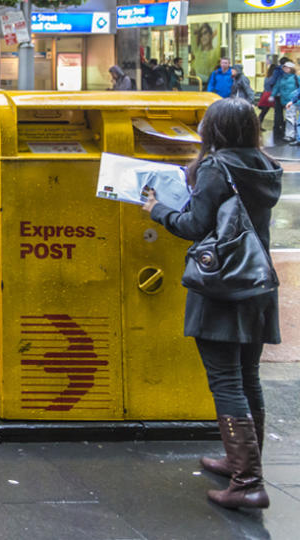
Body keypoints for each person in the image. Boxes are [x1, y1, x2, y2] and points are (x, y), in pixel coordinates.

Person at [142, 98, 280, 510]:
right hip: (257, 282)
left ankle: (247, 481)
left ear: (215, 130)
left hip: (222, 285)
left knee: (225, 380)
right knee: (248, 376)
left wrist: (156, 209)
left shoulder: (216, 168)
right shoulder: (265, 165)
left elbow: (193, 226)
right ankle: (243, 462)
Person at [272, 61, 299, 142]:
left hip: (295, 100)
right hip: (287, 101)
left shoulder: (296, 77)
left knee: (292, 119)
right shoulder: (281, 78)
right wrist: (272, 95)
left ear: (292, 68)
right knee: (290, 118)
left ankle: (294, 136)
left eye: (288, 67)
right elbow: (276, 87)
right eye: (284, 67)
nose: (286, 69)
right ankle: (290, 136)